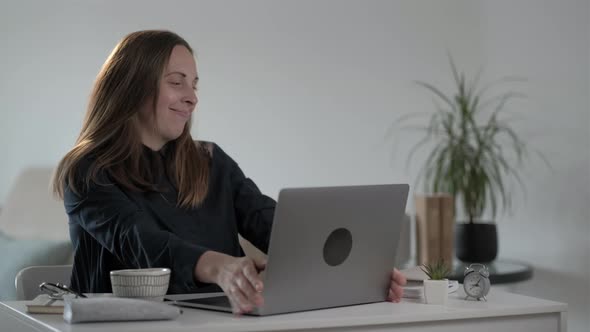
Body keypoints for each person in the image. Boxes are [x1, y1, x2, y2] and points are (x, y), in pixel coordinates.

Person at [52, 30, 406, 315]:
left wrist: (356, 271)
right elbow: (144, 242)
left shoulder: (209, 160)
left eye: (194, 84)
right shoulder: (86, 172)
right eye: (177, 82)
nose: (192, 97)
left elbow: (270, 222)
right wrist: (222, 268)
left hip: (224, 323)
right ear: (132, 86)